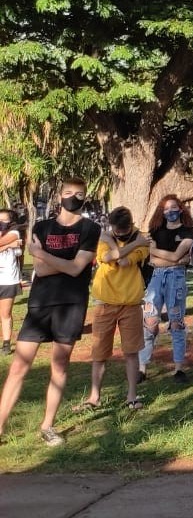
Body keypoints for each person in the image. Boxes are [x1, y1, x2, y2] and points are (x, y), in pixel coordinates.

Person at [0, 178, 100, 446]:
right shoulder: (43, 227)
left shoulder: (91, 229)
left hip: (71, 305)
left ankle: (48, 426)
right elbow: (42, 270)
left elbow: (77, 269)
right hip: (40, 304)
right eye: (68, 193)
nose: (73, 198)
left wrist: (42, 254)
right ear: (59, 196)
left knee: (59, 366)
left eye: (79, 194)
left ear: (85, 197)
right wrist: (63, 262)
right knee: (19, 365)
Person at [80, 207, 149, 411]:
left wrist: (115, 242)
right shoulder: (136, 240)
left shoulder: (139, 238)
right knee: (99, 353)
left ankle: (131, 396)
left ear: (130, 225)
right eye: (116, 230)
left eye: (124, 229)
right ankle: (94, 397)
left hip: (131, 303)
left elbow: (124, 261)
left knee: (131, 351)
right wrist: (129, 244)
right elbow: (106, 258)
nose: (120, 233)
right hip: (105, 302)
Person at [139, 196, 193, 383]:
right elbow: (154, 261)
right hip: (157, 278)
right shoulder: (156, 231)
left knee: (176, 321)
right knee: (149, 321)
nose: (169, 211)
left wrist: (155, 251)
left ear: (181, 209)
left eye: (173, 207)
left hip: (176, 278)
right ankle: (142, 367)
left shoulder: (188, 231)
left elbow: (176, 256)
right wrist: (173, 259)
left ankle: (179, 368)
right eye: (165, 208)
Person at [0, 209, 21, 356]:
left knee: (5, 313)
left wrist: (6, 244)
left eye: (4, 220)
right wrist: (8, 246)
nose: (1, 222)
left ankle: (6, 343)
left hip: (8, 279)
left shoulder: (15, 233)